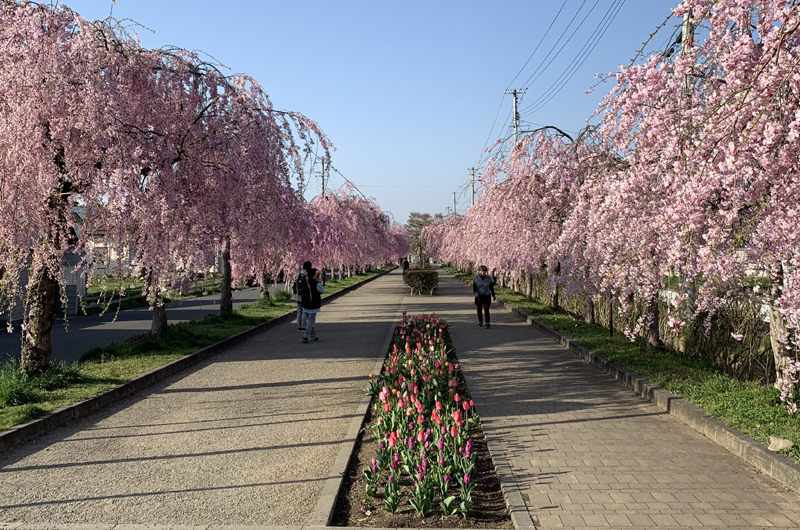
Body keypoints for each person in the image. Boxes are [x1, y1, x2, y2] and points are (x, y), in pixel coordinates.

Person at [300, 267, 325, 343]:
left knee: (310, 321)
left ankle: (313, 336)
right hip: (313, 305)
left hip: (305, 305)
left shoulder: (305, 283)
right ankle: (305, 336)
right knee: (311, 321)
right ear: (314, 275)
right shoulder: (316, 283)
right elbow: (322, 291)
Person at [292, 261, 312, 332]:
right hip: (305, 294)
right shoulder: (308, 273)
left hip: (297, 293)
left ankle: (299, 326)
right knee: (304, 310)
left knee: (299, 310)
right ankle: (304, 326)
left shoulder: (299, 272)